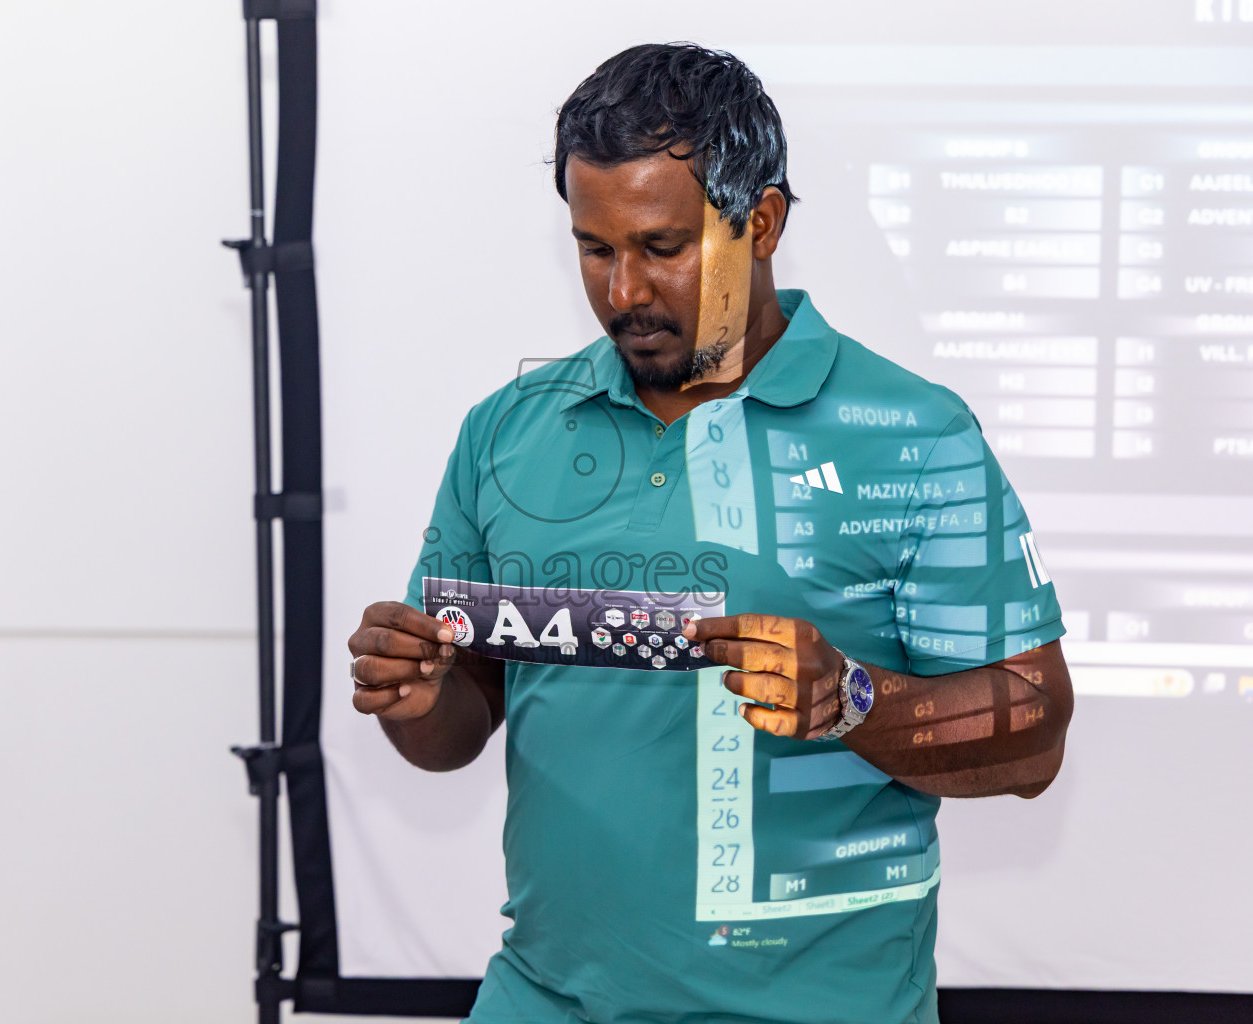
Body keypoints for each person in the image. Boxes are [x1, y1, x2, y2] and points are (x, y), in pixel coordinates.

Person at [346, 42, 1073, 1024]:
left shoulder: (913, 433)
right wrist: (416, 696)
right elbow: (459, 722)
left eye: (661, 247)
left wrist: (854, 696)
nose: (622, 294)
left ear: (762, 221)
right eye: (594, 249)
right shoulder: (508, 430)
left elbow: (1031, 738)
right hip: (542, 1000)